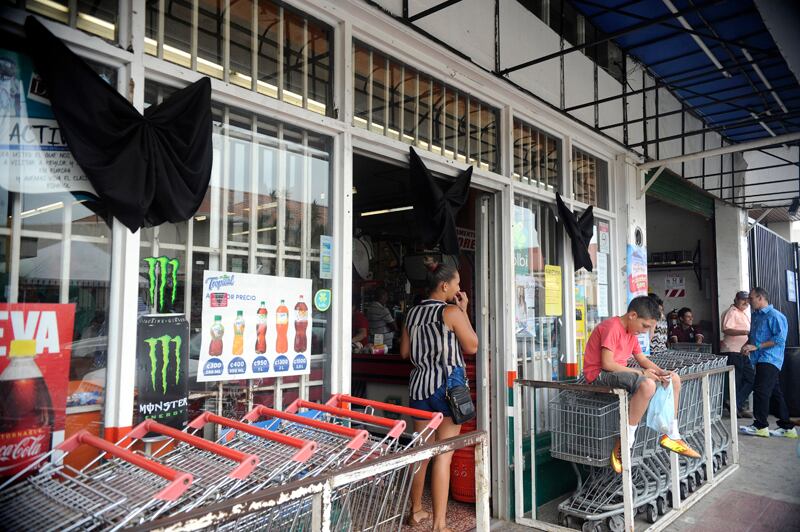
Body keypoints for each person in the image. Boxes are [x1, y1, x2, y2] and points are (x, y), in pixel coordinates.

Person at [400, 257, 478, 531]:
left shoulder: (412, 314)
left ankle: (416, 511)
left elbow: (405, 353)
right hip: (448, 389)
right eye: (457, 284)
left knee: (422, 451)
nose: (459, 289)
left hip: (420, 388)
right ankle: (440, 525)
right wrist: (464, 311)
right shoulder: (451, 312)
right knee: (444, 455)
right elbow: (472, 346)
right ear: (444, 286)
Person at [583, 296, 700, 474]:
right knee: (647, 385)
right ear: (632, 315)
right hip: (599, 374)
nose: (645, 331)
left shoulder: (632, 332)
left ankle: (672, 434)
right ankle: (626, 441)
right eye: (645, 326)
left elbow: (642, 359)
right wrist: (641, 373)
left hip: (618, 372)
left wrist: (661, 372)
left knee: (674, 378)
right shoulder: (612, 327)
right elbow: (607, 364)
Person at [739, 288, 797, 438]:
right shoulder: (755, 316)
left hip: (770, 358)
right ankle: (787, 427)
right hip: (759, 358)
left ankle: (760, 425)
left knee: (760, 390)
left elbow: (779, 339)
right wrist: (747, 345)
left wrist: (757, 346)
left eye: (751, 298)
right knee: (774, 393)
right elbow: (754, 336)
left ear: (760, 298)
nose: (748, 301)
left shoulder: (775, 316)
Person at [720, 291, 753, 418]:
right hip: (732, 350)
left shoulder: (742, 312)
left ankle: (736, 404)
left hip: (742, 351)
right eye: (743, 299)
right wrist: (745, 332)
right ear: (736, 300)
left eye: (747, 300)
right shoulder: (732, 312)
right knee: (737, 380)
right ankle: (736, 404)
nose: (746, 302)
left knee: (749, 379)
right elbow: (726, 329)